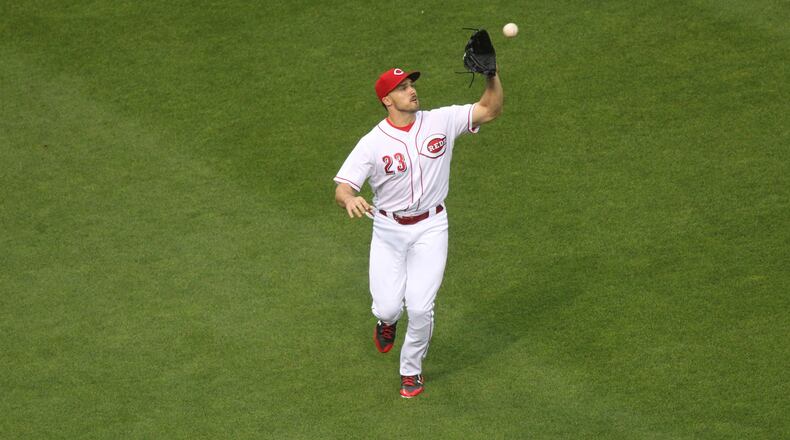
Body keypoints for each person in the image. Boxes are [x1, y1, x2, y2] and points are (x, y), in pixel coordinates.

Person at [333, 66, 503, 398]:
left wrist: (491, 75)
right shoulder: (372, 143)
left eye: (411, 85)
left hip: (432, 226)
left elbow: (490, 109)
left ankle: (411, 371)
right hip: (388, 230)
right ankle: (386, 322)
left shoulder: (441, 121)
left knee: (422, 307)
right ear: (387, 100)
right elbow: (342, 187)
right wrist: (350, 198)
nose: (411, 91)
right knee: (387, 308)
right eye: (402, 88)